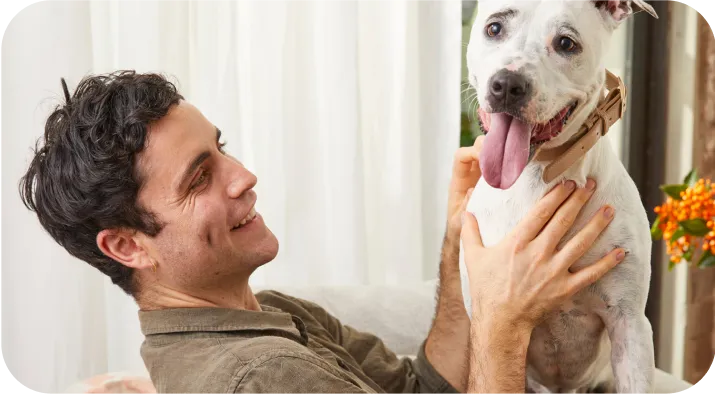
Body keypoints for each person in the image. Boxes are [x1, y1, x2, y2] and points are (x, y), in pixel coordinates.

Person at [19, 71, 624, 393]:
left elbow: (422, 389)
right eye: (200, 177)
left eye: (220, 149)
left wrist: (455, 237)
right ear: (128, 245)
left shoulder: (274, 314)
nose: (244, 177)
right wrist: (503, 324)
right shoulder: (258, 378)